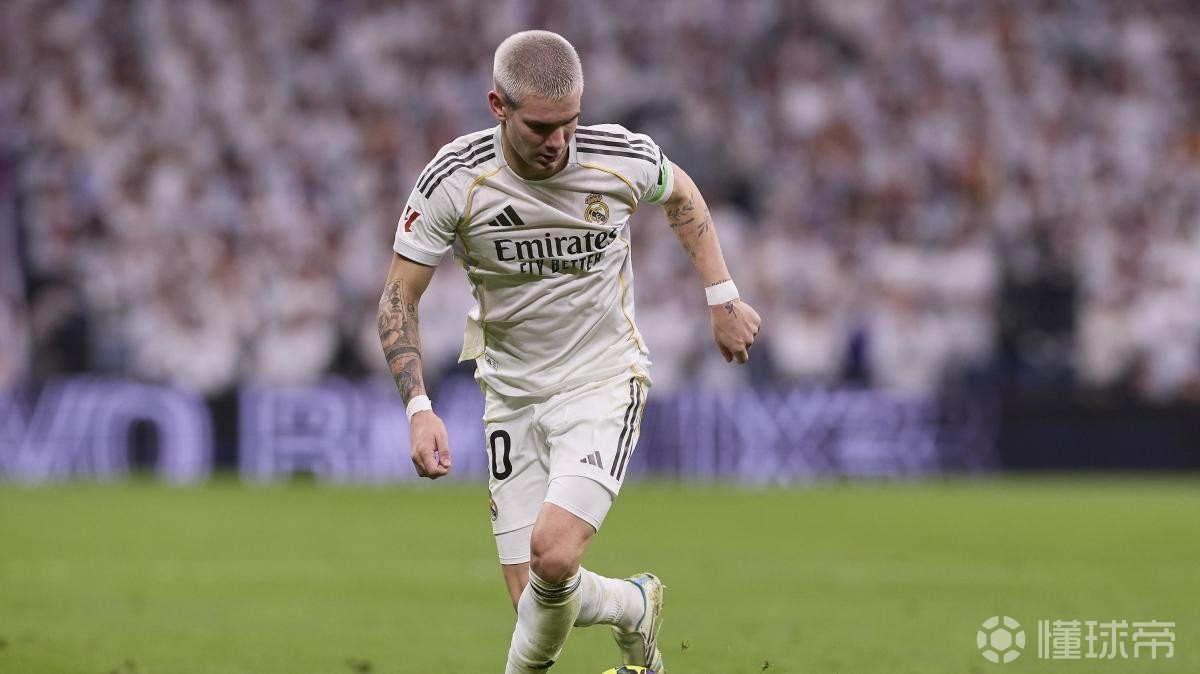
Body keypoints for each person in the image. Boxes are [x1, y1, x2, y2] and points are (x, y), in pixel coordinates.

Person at [377, 30, 761, 673]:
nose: (559, 140)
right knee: (534, 598)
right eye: (540, 126)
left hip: (601, 379)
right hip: (510, 393)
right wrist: (419, 407)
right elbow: (398, 297)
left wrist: (722, 295)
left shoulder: (617, 157)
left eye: (570, 122)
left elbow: (683, 195)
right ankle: (634, 605)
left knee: (553, 555)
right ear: (499, 107)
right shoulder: (455, 178)